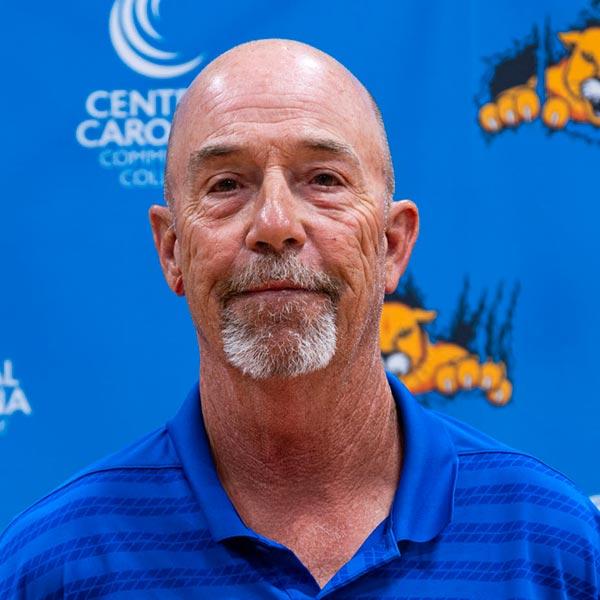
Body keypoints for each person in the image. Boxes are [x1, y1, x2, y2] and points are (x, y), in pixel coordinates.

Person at [0, 39, 598, 599]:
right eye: (227, 184)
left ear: (392, 245)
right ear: (172, 250)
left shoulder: (553, 546)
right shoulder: (52, 568)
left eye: (323, 180)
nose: (275, 224)